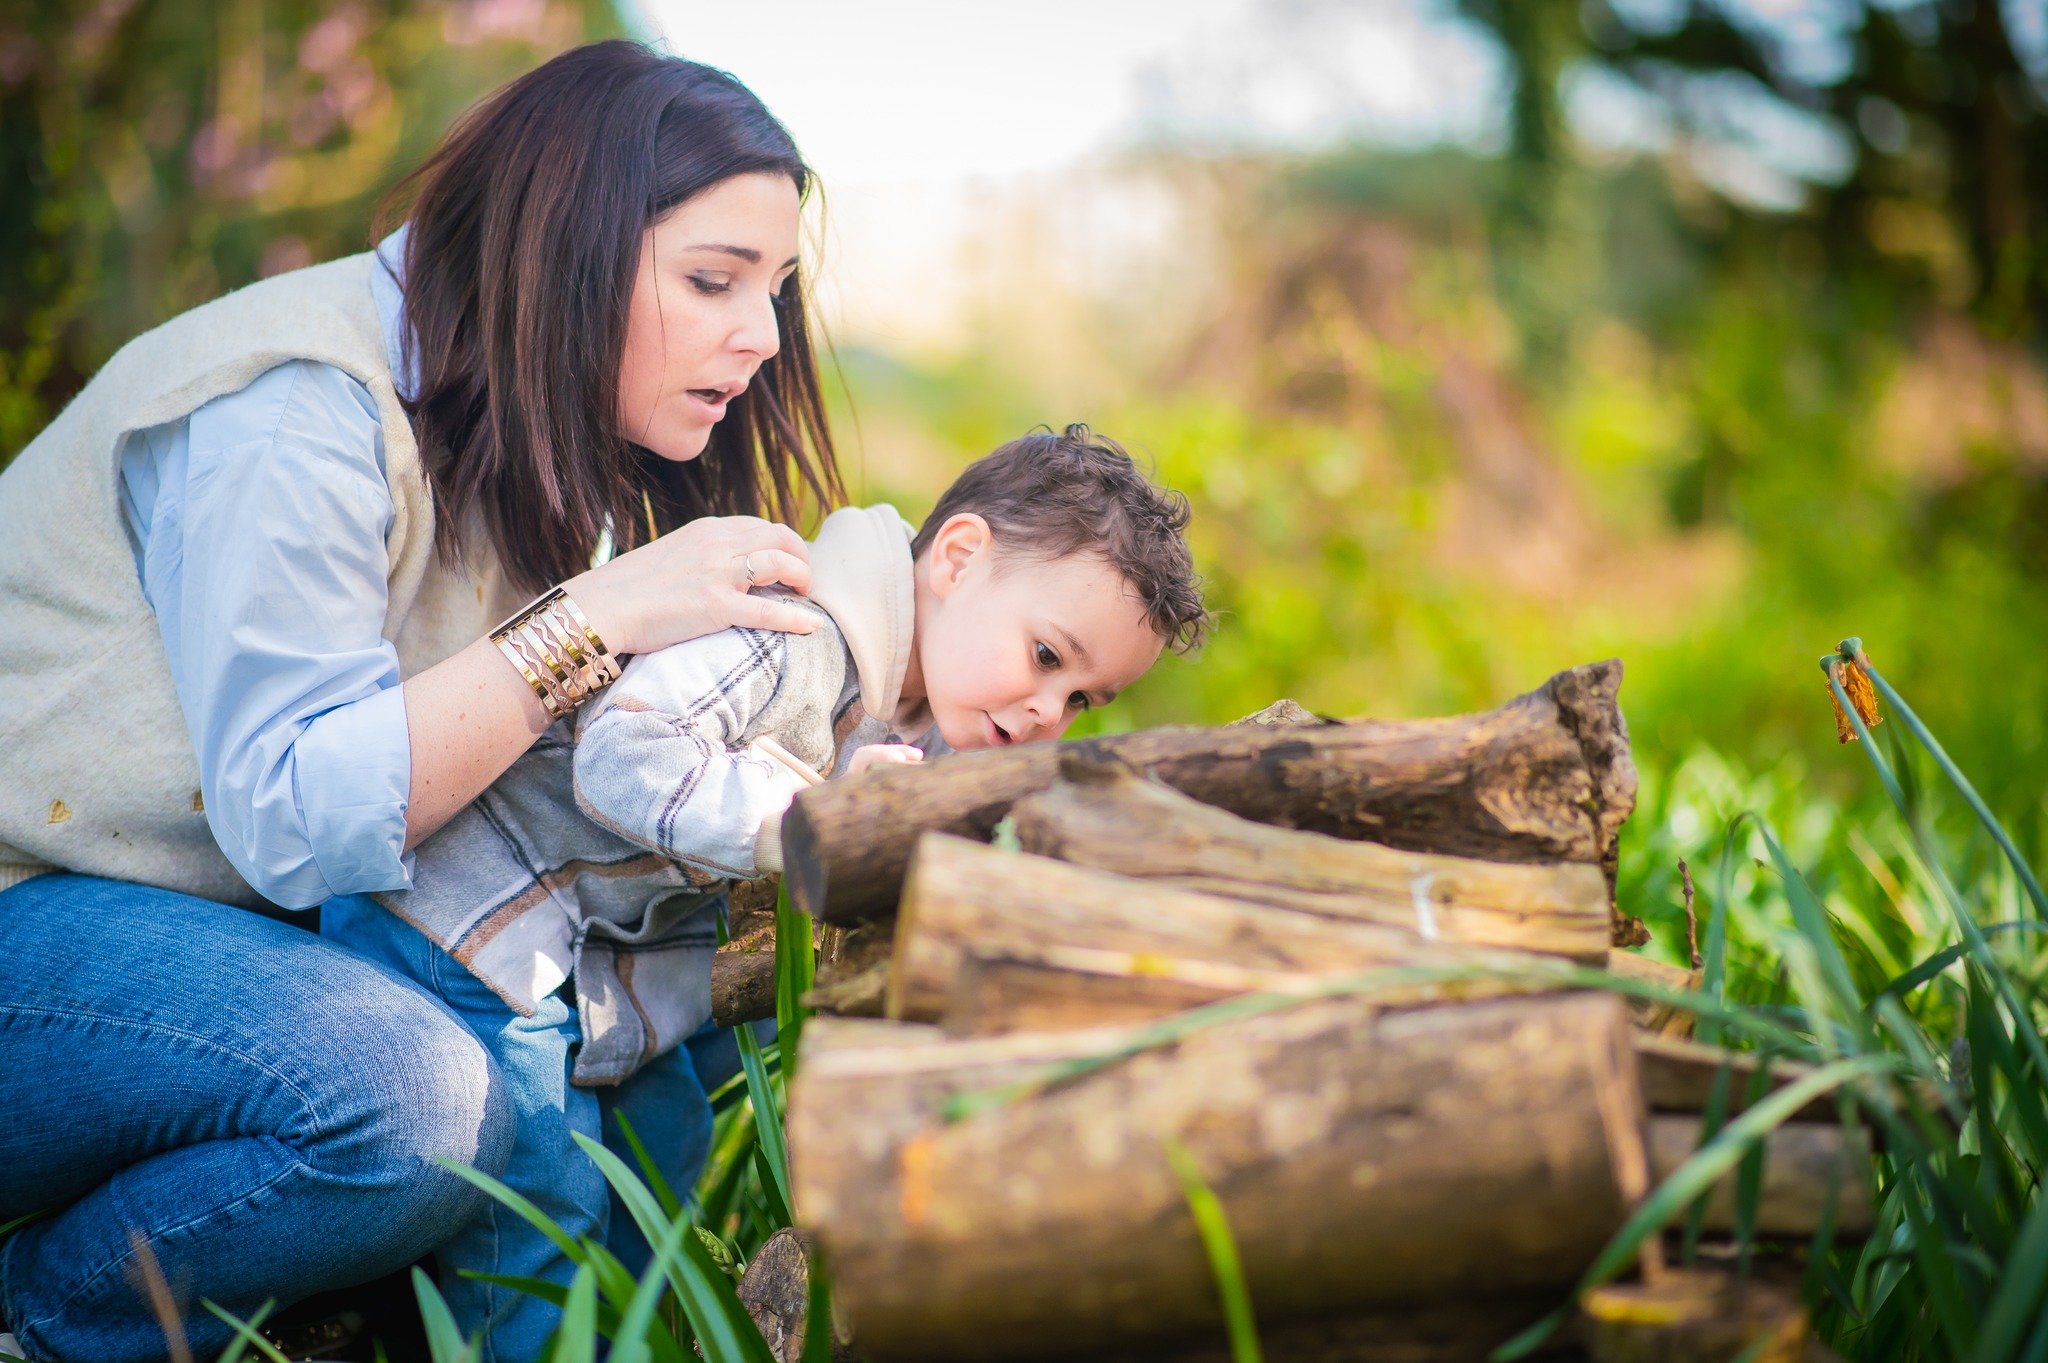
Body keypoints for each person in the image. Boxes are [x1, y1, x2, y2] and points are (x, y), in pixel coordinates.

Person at [0, 42, 844, 1363]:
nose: (762, 335)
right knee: (411, 1097)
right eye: (711, 280)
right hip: (30, 916)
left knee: (678, 1014)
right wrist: (601, 613)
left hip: (191, 935)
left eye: (776, 288)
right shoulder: (297, 411)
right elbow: (297, 815)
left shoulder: (535, 429)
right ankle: (45, 1318)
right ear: (564, 249)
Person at [329, 426, 1208, 1351]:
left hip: (598, 956)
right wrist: (811, 822)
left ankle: (625, 1333)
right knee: (544, 1185)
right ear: (957, 557)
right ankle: (503, 1338)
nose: (1044, 712)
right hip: (474, 916)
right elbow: (623, 754)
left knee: (664, 1147)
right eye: (1046, 657)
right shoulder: (793, 630)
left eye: (1079, 702)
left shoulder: (949, 708)